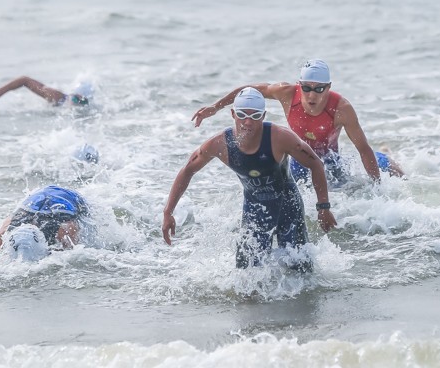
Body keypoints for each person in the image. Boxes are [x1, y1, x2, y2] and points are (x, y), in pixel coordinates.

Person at [165, 88, 337, 271]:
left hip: (288, 205)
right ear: (233, 114)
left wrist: (323, 207)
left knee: (301, 271)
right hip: (255, 209)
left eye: (255, 116)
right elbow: (187, 170)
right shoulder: (219, 144)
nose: (248, 122)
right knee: (247, 275)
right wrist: (168, 212)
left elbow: (316, 164)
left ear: (263, 116)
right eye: (242, 115)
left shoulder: (281, 138)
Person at [192, 60, 403, 185]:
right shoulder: (286, 93)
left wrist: (377, 189)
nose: (313, 95)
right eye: (307, 88)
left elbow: (363, 149)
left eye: (319, 88)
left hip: (330, 161)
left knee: (385, 173)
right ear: (299, 85)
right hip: (299, 160)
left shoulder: (342, 109)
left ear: (328, 87)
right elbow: (249, 91)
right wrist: (216, 106)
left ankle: (389, 157)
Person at [0, 185, 89, 263]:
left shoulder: (64, 228)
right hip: (35, 201)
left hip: (70, 198)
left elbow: (72, 252)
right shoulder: (16, 223)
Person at [0, 76, 93, 107]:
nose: (78, 100)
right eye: (76, 97)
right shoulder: (59, 98)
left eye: (81, 100)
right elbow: (24, 80)